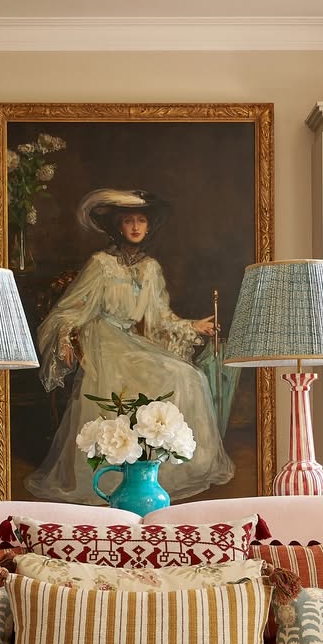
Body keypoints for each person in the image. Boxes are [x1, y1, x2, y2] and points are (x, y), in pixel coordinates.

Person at [25, 187, 234, 503]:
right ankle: (111, 472)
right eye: (128, 221)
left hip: (131, 341)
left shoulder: (150, 268)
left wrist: (194, 326)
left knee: (189, 376)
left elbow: (161, 318)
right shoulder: (101, 264)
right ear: (117, 227)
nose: (135, 227)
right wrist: (66, 335)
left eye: (141, 220)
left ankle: (163, 470)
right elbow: (71, 308)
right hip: (102, 339)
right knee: (133, 379)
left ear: (149, 227)